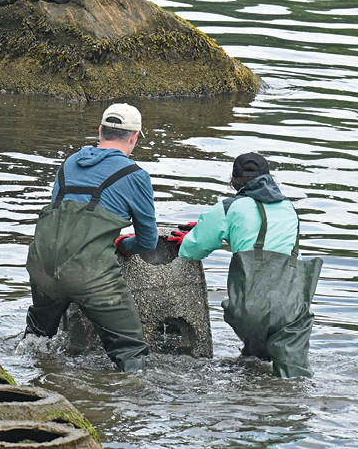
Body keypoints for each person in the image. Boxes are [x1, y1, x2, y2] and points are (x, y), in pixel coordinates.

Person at [24, 103, 156, 373]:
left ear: (100, 131)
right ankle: (134, 403)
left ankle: (24, 376)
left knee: (37, 338)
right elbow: (148, 240)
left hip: (41, 265)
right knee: (130, 350)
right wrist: (124, 246)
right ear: (134, 137)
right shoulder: (135, 175)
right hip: (88, 273)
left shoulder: (70, 163)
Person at [177, 153, 320, 378]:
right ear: (269, 178)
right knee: (294, 379)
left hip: (249, 309)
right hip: (292, 308)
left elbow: (191, 250)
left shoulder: (228, 208)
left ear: (233, 181)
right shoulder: (289, 208)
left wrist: (196, 233)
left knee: (252, 365)